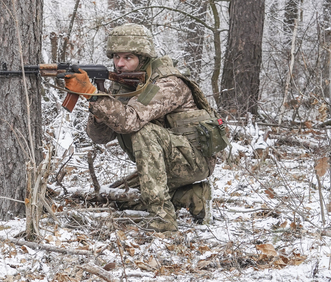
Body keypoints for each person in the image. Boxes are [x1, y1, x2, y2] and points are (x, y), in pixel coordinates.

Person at [64, 23, 226, 232]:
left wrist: (94, 96)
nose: (119, 64)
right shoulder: (124, 84)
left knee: (142, 130)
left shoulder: (167, 83)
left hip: (193, 161)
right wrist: (97, 105)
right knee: (116, 198)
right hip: (165, 164)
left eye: (128, 58)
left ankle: (163, 219)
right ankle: (193, 196)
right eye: (116, 57)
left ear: (144, 58)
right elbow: (100, 137)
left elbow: (130, 121)